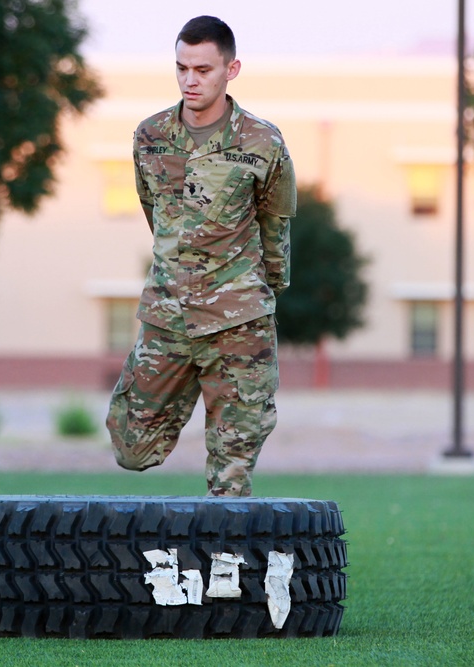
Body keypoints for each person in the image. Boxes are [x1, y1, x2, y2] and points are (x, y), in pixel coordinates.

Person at [106, 15, 296, 497]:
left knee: (230, 477)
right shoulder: (148, 137)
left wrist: (265, 295)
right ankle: (182, 400)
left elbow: (274, 225)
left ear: (231, 70)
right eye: (182, 67)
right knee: (131, 448)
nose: (191, 80)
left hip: (238, 323)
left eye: (203, 70)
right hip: (168, 318)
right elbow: (157, 217)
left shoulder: (263, 141)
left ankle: (226, 570)